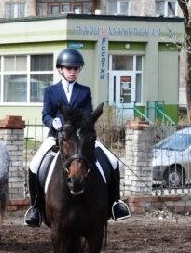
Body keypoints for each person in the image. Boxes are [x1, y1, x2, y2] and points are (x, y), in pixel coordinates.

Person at [24, 48, 132, 227]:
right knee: (34, 165)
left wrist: (85, 128)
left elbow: (87, 115)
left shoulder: (84, 91)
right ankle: (35, 207)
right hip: (57, 137)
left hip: (81, 138)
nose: (73, 71)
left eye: (76, 68)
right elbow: (45, 115)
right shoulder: (51, 91)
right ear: (60, 69)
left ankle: (115, 203)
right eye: (69, 68)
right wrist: (53, 122)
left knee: (113, 161)